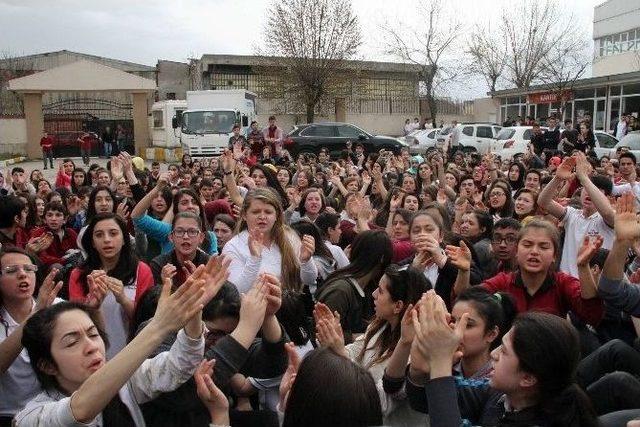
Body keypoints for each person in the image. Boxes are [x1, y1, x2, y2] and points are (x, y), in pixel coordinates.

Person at [14, 260, 228, 426]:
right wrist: (159, 326)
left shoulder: (126, 383)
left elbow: (180, 365)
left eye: (93, 334)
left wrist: (194, 310)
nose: (91, 347)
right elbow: (80, 409)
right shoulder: (32, 417)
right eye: (72, 342)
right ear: (47, 365)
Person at [409, 292, 600, 427]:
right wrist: (420, 369)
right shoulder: (499, 394)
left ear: (528, 378)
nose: (494, 354)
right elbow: (427, 401)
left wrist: (441, 361)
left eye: (505, 351)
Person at [314, 264, 429, 424]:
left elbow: (379, 403)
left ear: (398, 306)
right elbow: (353, 352)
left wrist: (339, 354)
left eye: (381, 291)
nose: (374, 294)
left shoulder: (414, 351)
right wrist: (334, 340)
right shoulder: (380, 327)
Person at [449, 219, 604, 326]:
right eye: (527, 245)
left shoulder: (563, 283)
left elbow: (592, 315)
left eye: (543, 247)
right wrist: (464, 271)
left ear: (554, 256)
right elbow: (464, 303)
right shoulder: (503, 282)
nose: (534, 252)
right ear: (517, 251)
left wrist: (583, 266)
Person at [68, 213, 154, 359]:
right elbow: (72, 321)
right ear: (93, 242)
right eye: (99, 235)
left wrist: (123, 299)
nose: (107, 240)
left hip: (132, 355)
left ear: (124, 239)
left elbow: (147, 321)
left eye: (113, 233)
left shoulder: (141, 270)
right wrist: (92, 305)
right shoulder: (79, 274)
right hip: (92, 355)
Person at [0, 248, 62, 425]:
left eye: (29, 269)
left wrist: (93, 310)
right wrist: (35, 314)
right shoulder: (41, 307)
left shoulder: (56, 306)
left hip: (51, 409)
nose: (22, 275)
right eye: (11, 271)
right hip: (7, 414)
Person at [222, 188, 318, 293]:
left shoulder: (289, 237)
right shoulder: (233, 246)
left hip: (289, 307)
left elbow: (309, 280)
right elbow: (235, 291)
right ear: (244, 215)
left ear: (276, 215)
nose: (262, 217)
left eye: (268, 212)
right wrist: (254, 259)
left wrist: (306, 261)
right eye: (255, 212)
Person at [538, 154, 614, 277]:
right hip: (565, 284)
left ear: (608, 198)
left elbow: (606, 212)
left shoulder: (609, 219)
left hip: (593, 287)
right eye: (585, 188)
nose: (588, 192)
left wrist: (584, 177)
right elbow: (543, 202)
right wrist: (557, 178)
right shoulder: (572, 214)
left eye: (596, 190)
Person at [316, 230, 393, 343]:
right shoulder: (340, 291)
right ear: (382, 258)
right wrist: (356, 337)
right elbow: (322, 333)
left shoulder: (367, 286)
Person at [149, 212, 211, 290]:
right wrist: (166, 286)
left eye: (192, 232)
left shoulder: (209, 264)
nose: (185, 236)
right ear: (171, 237)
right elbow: (153, 300)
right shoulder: (159, 265)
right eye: (179, 232)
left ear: (201, 238)